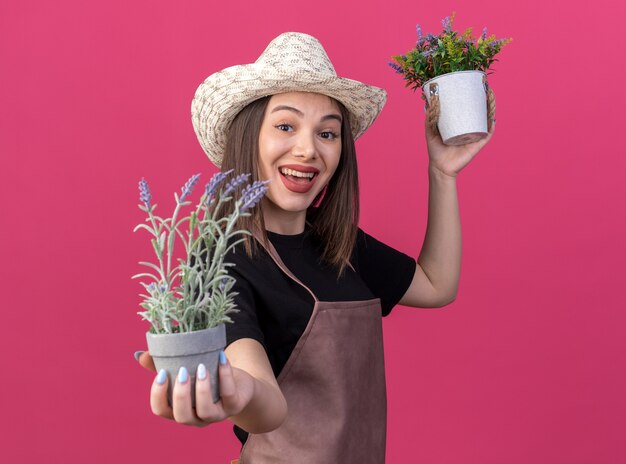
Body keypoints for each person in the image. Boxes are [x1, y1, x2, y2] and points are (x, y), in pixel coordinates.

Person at [136, 32, 495, 463]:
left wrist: (443, 174)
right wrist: (240, 391)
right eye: (285, 126)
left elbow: (438, 285)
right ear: (250, 137)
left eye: (328, 132)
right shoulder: (222, 260)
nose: (308, 149)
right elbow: (266, 405)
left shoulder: (340, 244)